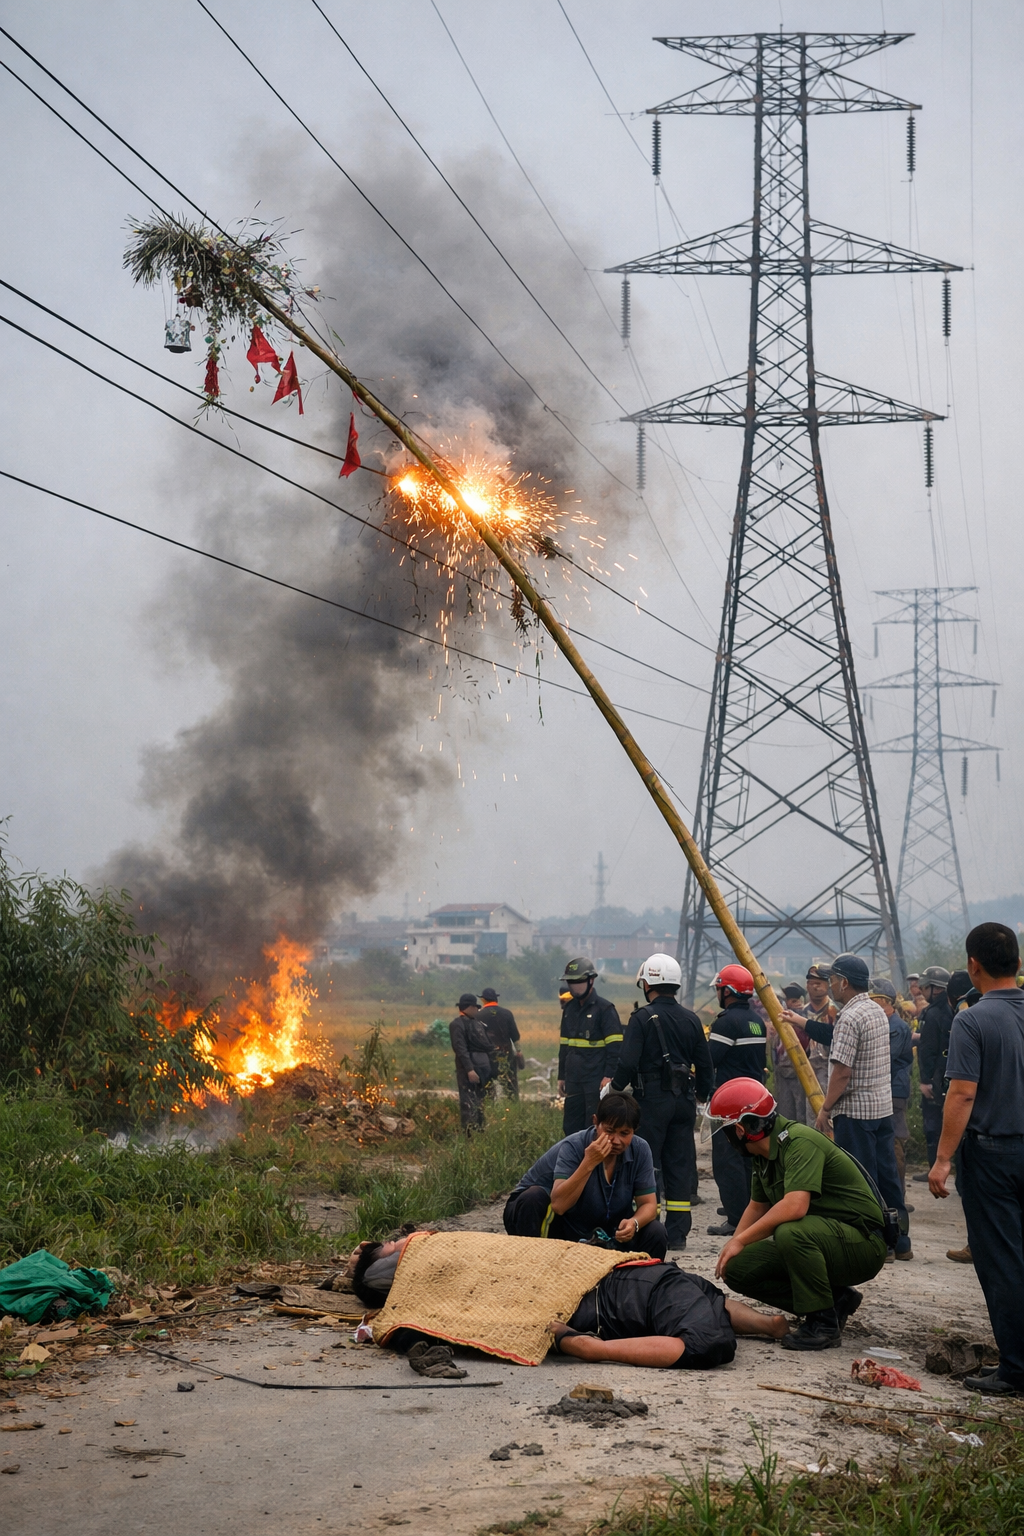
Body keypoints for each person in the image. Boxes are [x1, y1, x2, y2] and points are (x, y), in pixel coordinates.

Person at [348, 1231, 788, 1371]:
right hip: (615, 1296)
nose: (399, 1239)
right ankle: (591, 1348)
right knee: (708, 1343)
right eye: (390, 1245)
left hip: (620, 1274)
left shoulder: (438, 1247)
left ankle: (768, 1326)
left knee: (695, 1288)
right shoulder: (421, 1257)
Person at [708, 1077, 889, 1350]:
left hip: (864, 1244)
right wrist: (734, 1245)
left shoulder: (799, 1142)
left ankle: (823, 1324)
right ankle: (835, 1300)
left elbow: (795, 1206)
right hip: (824, 1238)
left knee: (790, 1231)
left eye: (726, 1128)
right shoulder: (762, 1154)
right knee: (738, 1267)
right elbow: (757, 1206)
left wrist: (741, 1240)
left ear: (742, 1129)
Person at [929, 922, 1024, 1397]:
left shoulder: (973, 1019)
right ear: (1019, 963)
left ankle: (1016, 1368)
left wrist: (943, 1159)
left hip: (995, 1155)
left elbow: (963, 1094)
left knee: (1003, 1261)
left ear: (973, 965)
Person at [608, 953, 715, 1250]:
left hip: (651, 1101)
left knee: (647, 1163)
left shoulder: (642, 1018)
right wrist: (703, 1095)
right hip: (684, 1103)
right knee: (679, 1164)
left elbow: (627, 1062)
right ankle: (677, 1234)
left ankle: (647, 1226)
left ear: (648, 984)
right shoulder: (692, 1019)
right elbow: (705, 1065)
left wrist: (614, 1090)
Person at [810, 953, 911, 1259]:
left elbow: (842, 1071)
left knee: (862, 1179)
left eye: (832, 980)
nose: (829, 986)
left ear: (843, 982)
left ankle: (877, 1244)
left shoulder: (849, 1017)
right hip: (881, 1110)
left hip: (855, 1114)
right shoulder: (877, 1011)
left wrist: (825, 1108)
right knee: (888, 1176)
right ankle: (900, 1242)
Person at [502, 1091, 667, 1258]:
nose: (616, 1140)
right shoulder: (573, 1147)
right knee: (533, 1198)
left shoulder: (640, 1149)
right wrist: (588, 1162)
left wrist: (634, 1223)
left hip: (594, 1222)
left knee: (655, 1231)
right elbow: (559, 1205)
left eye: (624, 1133)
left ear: (634, 1131)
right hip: (546, 1217)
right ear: (596, 1123)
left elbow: (649, 1205)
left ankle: (643, 1280)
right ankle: (534, 1265)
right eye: (609, 1131)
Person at [706, 964, 767, 1238]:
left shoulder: (725, 1022)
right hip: (754, 1098)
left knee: (727, 1158)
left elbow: (710, 1060)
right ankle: (747, 1211)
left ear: (727, 991)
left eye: (720, 989)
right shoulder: (756, 1022)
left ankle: (735, 1218)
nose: (718, 994)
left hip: (730, 1101)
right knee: (748, 1158)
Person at [557, 957, 623, 1135]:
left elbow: (615, 1047)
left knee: (593, 1126)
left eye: (578, 982)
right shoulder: (569, 1009)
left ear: (591, 980)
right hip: (574, 1080)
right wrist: (561, 1076)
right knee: (571, 1127)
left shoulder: (605, 1009)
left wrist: (609, 1075)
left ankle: (596, 1162)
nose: (574, 986)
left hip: (596, 1082)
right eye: (571, 982)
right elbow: (564, 1047)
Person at [942, 969, 977, 1265]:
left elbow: (963, 1091)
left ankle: (977, 1245)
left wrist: (943, 1158)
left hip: (981, 1127)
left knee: (974, 1192)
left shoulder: (968, 1015)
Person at [871, 978, 914, 1198]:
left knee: (894, 1142)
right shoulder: (886, 1024)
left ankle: (898, 1196)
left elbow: (885, 1060)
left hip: (894, 1091)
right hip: (887, 1090)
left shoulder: (895, 1027)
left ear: (882, 1001)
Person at [914, 965, 953, 1178]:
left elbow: (928, 1050)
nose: (922, 991)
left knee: (932, 1127)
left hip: (934, 1079)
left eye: (925, 987)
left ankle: (934, 1169)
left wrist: (925, 1080)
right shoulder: (950, 1009)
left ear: (936, 989)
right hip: (946, 1076)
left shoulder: (932, 1013)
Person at [448, 993, 496, 1134]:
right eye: (475, 1007)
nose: (476, 1010)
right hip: (473, 1068)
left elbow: (461, 1049)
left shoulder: (470, 1023)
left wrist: (469, 1069)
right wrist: (470, 1069)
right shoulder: (462, 1025)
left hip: (476, 1069)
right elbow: (461, 1049)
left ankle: (475, 1131)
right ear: (468, 1007)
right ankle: (472, 1132)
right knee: (471, 1102)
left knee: (474, 1101)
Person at [769, 985, 812, 1128]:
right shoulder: (778, 1020)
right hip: (782, 1071)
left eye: (797, 1001)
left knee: (801, 1113)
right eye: (792, 1001)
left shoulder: (803, 1020)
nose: (796, 1004)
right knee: (785, 1111)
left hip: (801, 1072)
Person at [479, 987, 525, 1100]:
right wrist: (519, 1052)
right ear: (496, 999)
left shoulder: (478, 1016)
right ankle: (513, 1108)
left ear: (483, 1000)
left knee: (487, 1088)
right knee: (510, 1087)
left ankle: (490, 1108)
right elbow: (515, 1036)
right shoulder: (507, 1014)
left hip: (486, 1058)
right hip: (506, 1055)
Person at [802, 964, 836, 1112]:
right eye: (811, 983)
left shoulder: (836, 1011)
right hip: (805, 1072)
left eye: (819, 983)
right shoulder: (800, 1013)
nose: (815, 987)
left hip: (830, 1072)